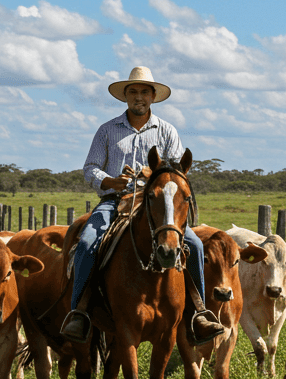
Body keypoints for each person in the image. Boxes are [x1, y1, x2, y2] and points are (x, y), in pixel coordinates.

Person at [60, 66, 227, 345]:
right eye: (133, 92)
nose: (139, 97)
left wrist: (153, 176)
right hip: (115, 201)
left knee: (195, 246)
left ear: (153, 97)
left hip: (158, 204)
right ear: (125, 96)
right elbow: (90, 168)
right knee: (88, 241)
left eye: (144, 92)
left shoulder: (167, 131)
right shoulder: (107, 130)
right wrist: (111, 181)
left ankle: (199, 312)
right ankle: (80, 311)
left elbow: (177, 173)